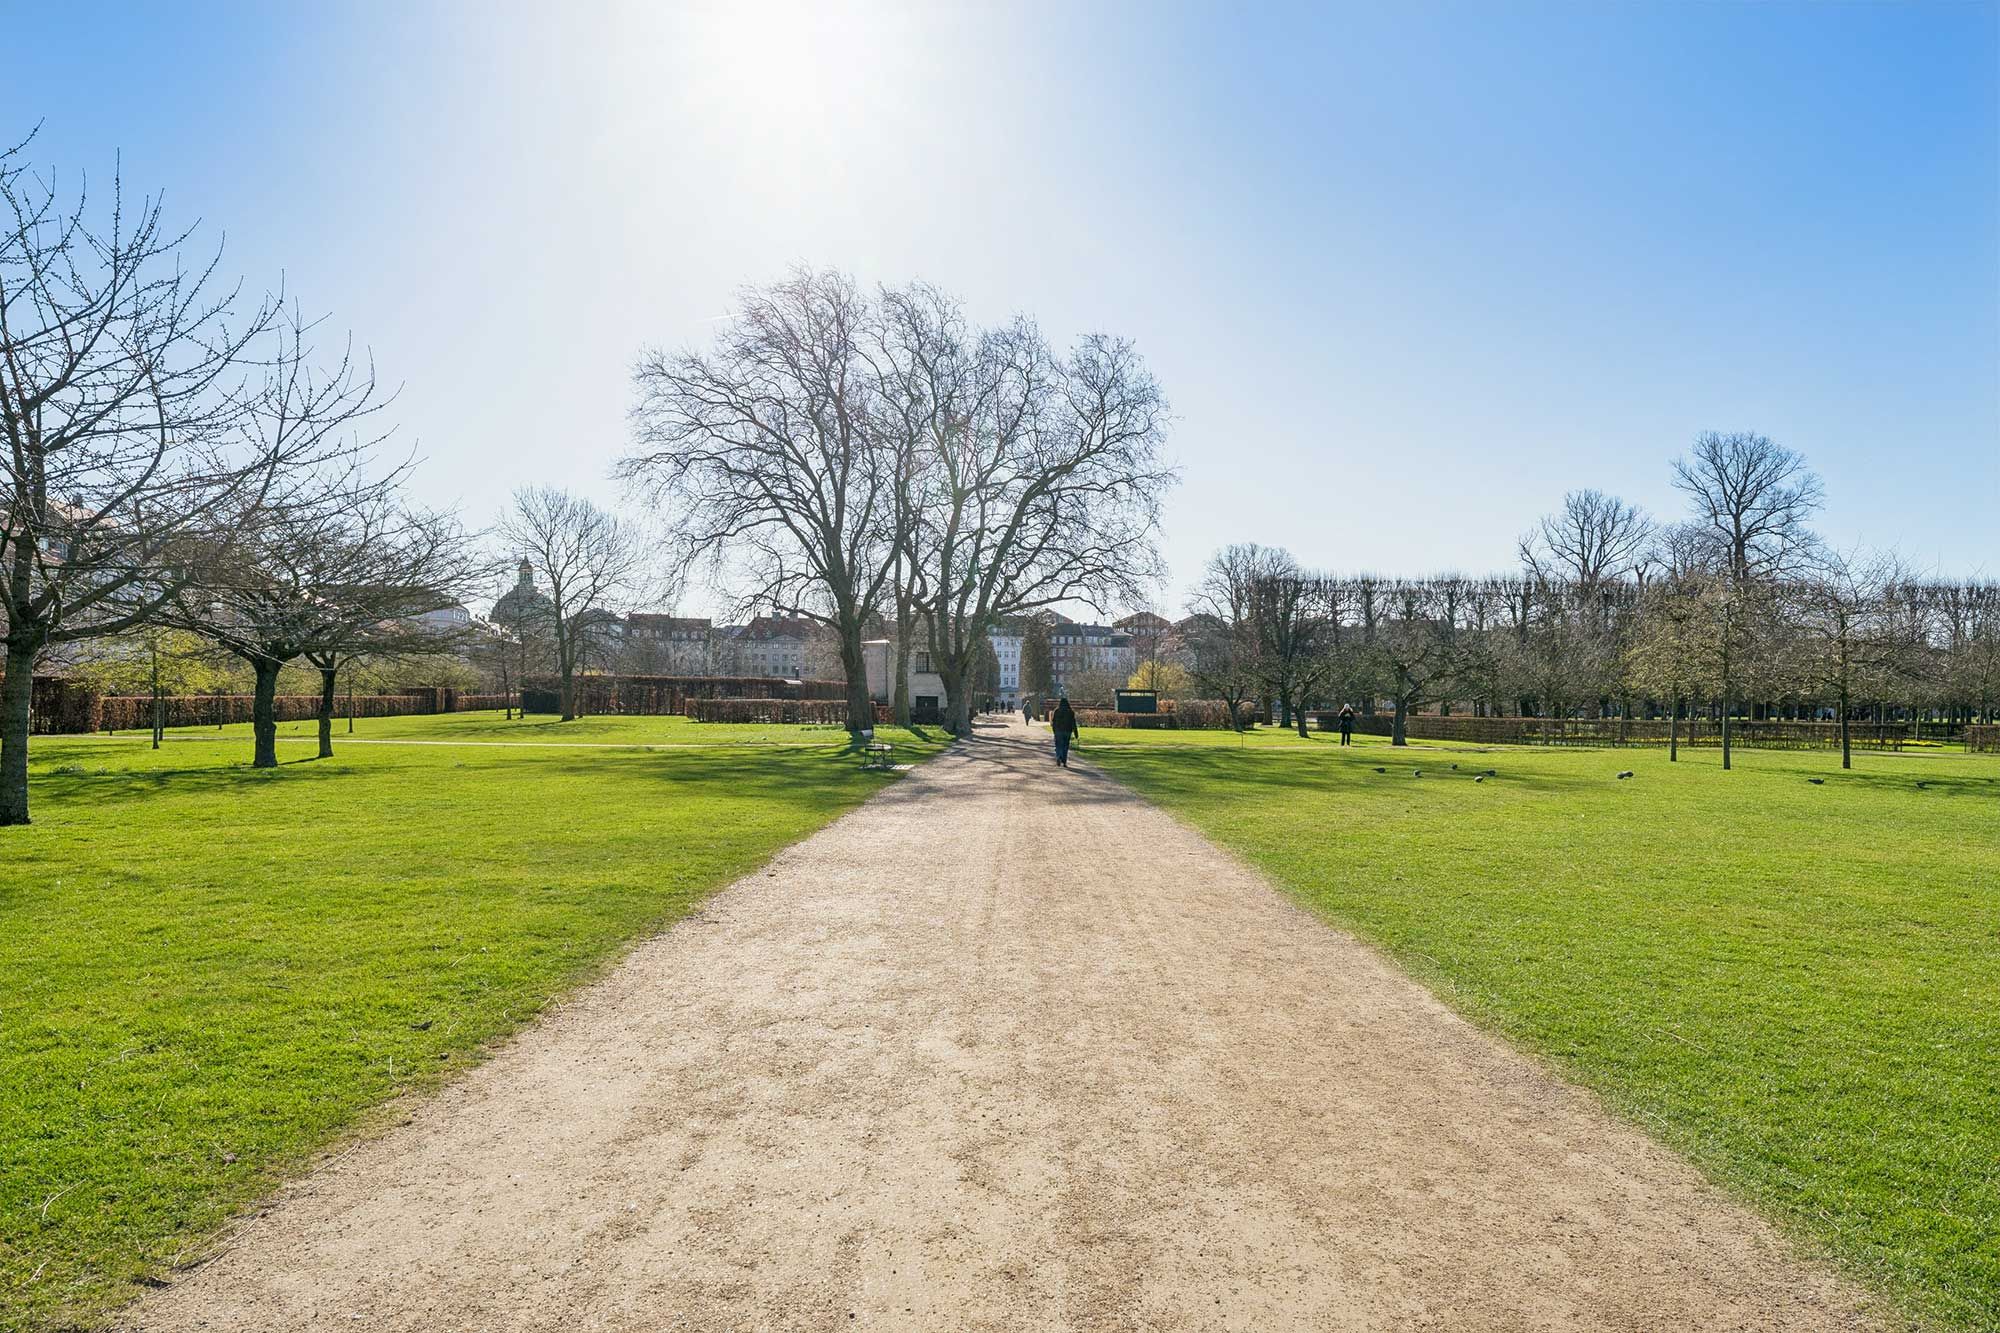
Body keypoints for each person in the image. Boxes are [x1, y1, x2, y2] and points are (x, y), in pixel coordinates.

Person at [1051, 696, 1080, 767]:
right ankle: (1064, 761)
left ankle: (1058, 756)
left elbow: (1053, 722)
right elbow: (1073, 723)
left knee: (1058, 745)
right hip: (1067, 731)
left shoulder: (1057, 711)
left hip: (1058, 731)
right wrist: (1076, 733)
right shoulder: (1070, 712)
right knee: (1065, 746)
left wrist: (1054, 731)